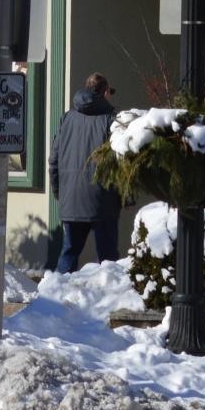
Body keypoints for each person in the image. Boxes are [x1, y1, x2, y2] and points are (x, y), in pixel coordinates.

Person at [50, 73, 121, 273]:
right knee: (108, 260)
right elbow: (119, 161)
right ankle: (108, 300)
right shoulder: (110, 120)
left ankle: (55, 297)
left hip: (71, 197)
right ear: (105, 92)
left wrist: (58, 191)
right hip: (103, 199)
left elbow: (53, 159)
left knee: (69, 252)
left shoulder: (67, 118)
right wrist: (126, 197)